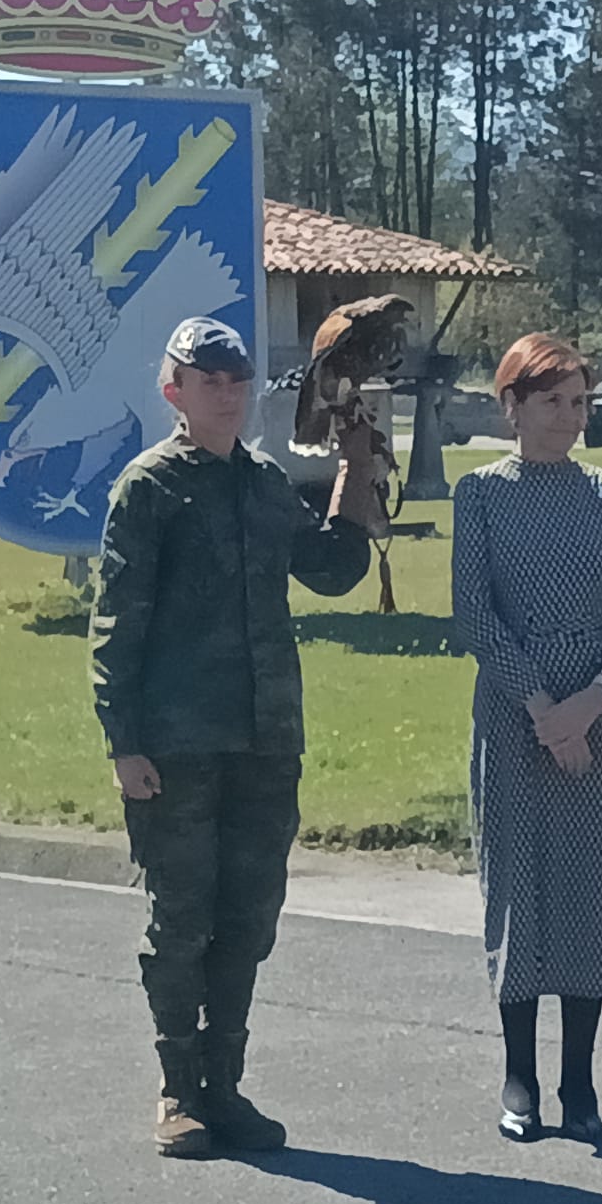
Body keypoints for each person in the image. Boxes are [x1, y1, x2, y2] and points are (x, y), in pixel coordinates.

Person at [92, 316, 372, 1158]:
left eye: (237, 380)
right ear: (173, 390)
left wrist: (357, 472)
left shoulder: (260, 482)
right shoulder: (149, 488)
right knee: (182, 920)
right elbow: (117, 625)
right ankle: (179, 1090)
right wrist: (123, 741)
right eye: (207, 380)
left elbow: (331, 570)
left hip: (263, 739)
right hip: (177, 741)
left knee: (248, 919)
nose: (226, 392)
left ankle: (225, 1086)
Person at [452, 333, 602, 1143]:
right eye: (552, 402)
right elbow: (475, 612)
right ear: (511, 407)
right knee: (520, 886)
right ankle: (519, 1074)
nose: (570, 418)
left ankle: (580, 1080)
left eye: (579, 403)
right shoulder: (481, 495)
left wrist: (591, 702)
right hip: (516, 710)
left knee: (589, 892)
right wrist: (543, 707)